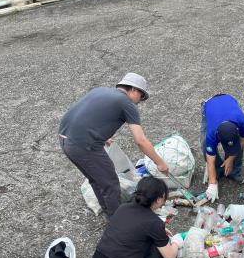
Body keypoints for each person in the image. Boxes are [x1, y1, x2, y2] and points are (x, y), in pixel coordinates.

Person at [59, 72, 169, 217]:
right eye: (141, 96)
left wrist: (101, 137)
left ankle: (110, 213)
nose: (139, 101)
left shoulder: (100, 91)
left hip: (65, 139)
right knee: (111, 184)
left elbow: (87, 114)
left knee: (96, 179)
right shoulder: (127, 103)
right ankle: (119, 224)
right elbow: (140, 140)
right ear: (134, 89)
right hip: (84, 145)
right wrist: (160, 163)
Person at [200, 94, 244, 202]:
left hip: (229, 100)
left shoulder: (243, 122)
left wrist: (231, 159)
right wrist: (212, 183)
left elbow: (242, 141)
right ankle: (218, 171)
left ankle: (234, 172)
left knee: (237, 149)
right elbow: (210, 158)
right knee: (205, 147)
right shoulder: (212, 134)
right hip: (210, 105)